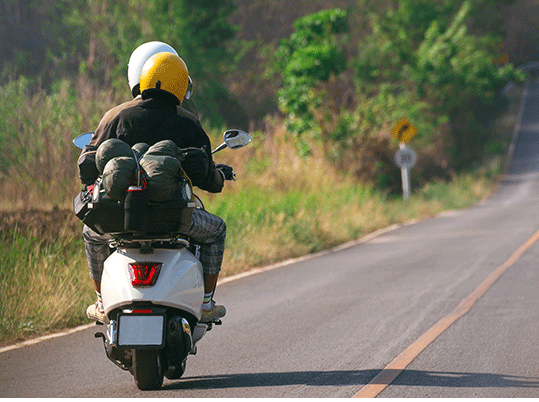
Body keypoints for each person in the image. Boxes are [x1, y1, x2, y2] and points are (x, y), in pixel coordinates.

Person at [79, 45, 230, 323]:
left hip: (121, 218)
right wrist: (220, 176)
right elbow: (207, 178)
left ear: (144, 78)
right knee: (216, 230)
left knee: (91, 233)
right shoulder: (187, 121)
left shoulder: (116, 115)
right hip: (174, 218)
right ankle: (206, 303)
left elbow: (87, 165)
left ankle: (101, 302)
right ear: (181, 84)